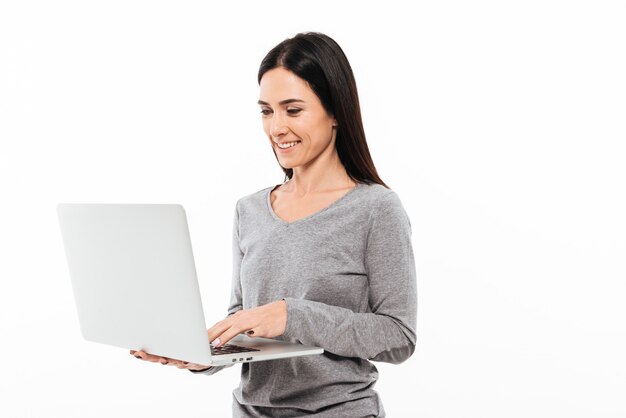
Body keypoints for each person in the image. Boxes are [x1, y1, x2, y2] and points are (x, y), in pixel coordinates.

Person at [131, 32, 417, 418]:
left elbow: (398, 336)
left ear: (335, 112)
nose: (276, 127)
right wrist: (203, 354)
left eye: (293, 110)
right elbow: (244, 323)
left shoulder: (376, 209)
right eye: (266, 111)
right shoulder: (248, 210)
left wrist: (292, 314)